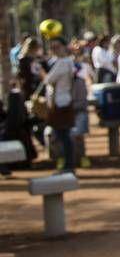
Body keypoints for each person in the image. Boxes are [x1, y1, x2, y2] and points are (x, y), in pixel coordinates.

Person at [40, 38, 76, 172]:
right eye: (52, 47)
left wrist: (41, 71)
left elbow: (48, 80)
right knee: (63, 135)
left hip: (60, 102)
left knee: (63, 135)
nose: (54, 49)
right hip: (63, 100)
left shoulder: (63, 62)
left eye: (57, 47)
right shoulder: (66, 62)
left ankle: (68, 165)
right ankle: (68, 164)